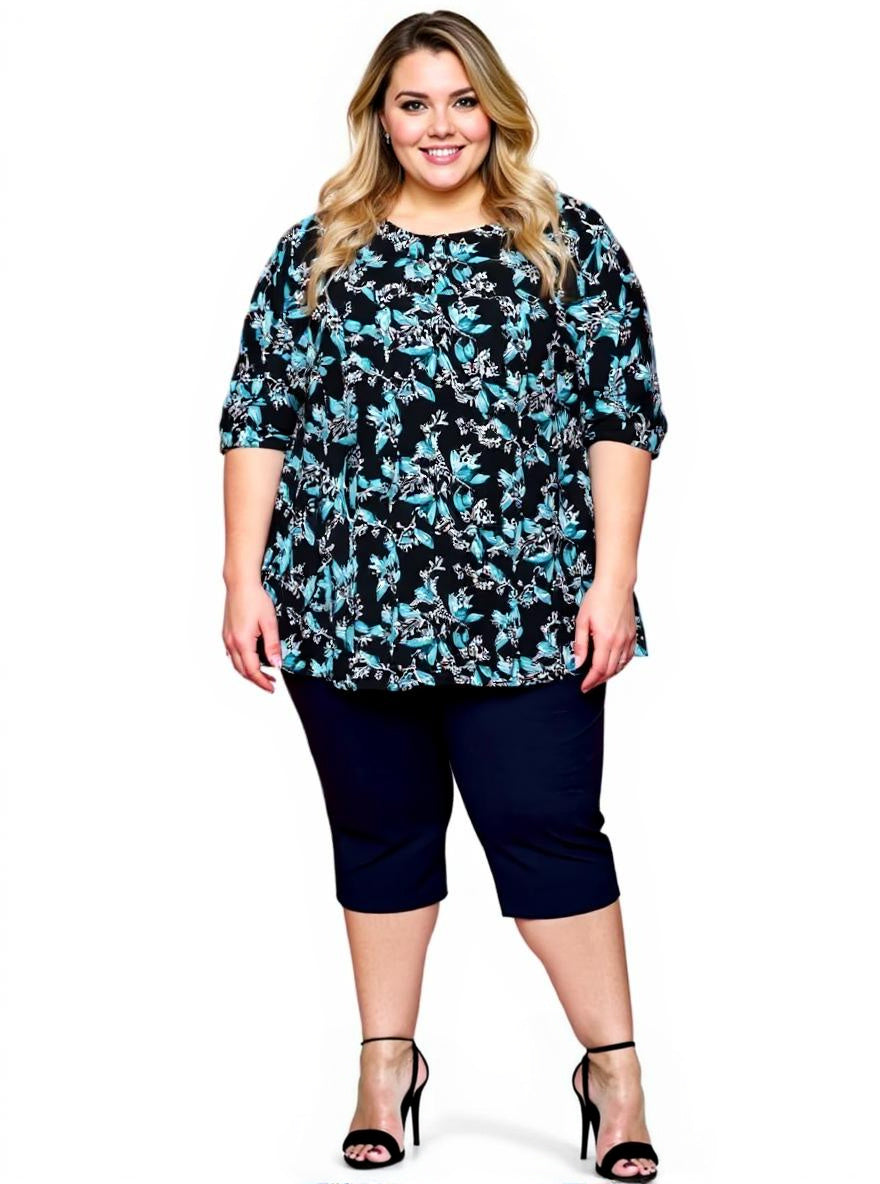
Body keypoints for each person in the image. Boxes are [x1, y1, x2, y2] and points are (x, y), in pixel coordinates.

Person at [219, 10, 667, 1179]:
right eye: (414, 102)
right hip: (345, 603)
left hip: (528, 606)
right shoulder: (318, 249)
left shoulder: (567, 242)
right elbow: (259, 416)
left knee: (547, 832)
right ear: (379, 115)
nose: (440, 126)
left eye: (463, 101)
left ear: (496, 111)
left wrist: (613, 581)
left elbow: (622, 417)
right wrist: (242, 574)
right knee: (379, 834)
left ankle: (613, 1072)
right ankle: (386, 1063)